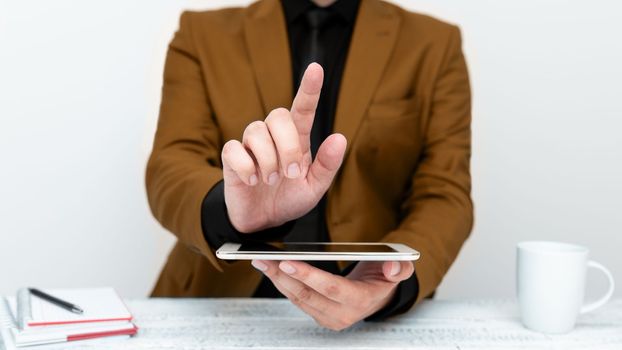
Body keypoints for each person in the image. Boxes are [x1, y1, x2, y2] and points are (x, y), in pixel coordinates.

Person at [146, 0, 472, 331]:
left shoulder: (434, 43)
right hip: (221, 302)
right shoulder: (202, 35)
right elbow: (170, 164)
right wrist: (231, 209)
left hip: (367, 308)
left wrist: (389, 281)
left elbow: (445, 191)